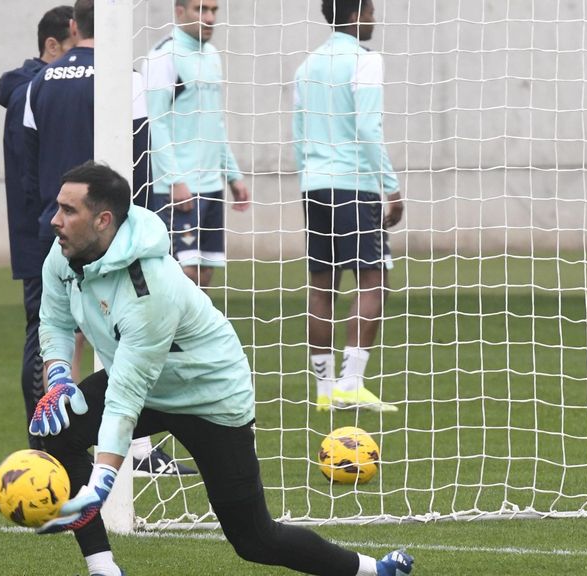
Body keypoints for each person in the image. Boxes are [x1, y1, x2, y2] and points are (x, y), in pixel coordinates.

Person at [29, 161, 414, 576]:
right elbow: (54, 320)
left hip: (208, 396)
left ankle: (373, 571)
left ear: (103, 220)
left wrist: (101, 482)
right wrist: (59, 378)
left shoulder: (150, 287)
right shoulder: (66, 251)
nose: (55, 220)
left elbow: (125, 397)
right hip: (145, 383)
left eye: (69, 210)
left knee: (254, 539)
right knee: (59, 428)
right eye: (59, 207)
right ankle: (103, 568)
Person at [23, 0, 191, 476]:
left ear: (73, 25)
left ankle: (52, 448)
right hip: (111, 235)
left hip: (53, 227)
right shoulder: (127, 79)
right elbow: (140, 159)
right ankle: (134, 450)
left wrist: (38, 225)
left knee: (53, 333)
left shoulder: (40, 81)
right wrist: (146, 229)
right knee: (125, 335)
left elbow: (24, 162)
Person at [294, 0, 403, 412]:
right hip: (354, 185)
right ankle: (351, 383)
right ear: (356, 14)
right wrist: (390, 187)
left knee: (322, 284)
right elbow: (368, 127)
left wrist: (309, 176)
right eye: (371, 10)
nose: (375, 18)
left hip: (314, 185)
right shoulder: (365, 60)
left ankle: (325, 391)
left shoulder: (307, 66)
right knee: (374, 279)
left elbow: (298, 132)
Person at [0, 4, 77, 449]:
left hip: (54, 229)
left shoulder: (41, 88)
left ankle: (73, 437)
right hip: (42, 233)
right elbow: (28, 175)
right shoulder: (30, 92)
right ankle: (41, 441)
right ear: (52, 45)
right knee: (43, 332)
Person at [144, 0, 250, 288]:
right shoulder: (163, 56)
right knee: (183, 272)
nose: (210, 18)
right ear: (179, 12)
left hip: (211, 185)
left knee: (204, 273)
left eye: (214, 10)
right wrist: (175, 179)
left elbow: (215, 123)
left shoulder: (212, 55)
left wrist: (233, 175)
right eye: (201, 10)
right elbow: (156, 122)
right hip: (179, 187)